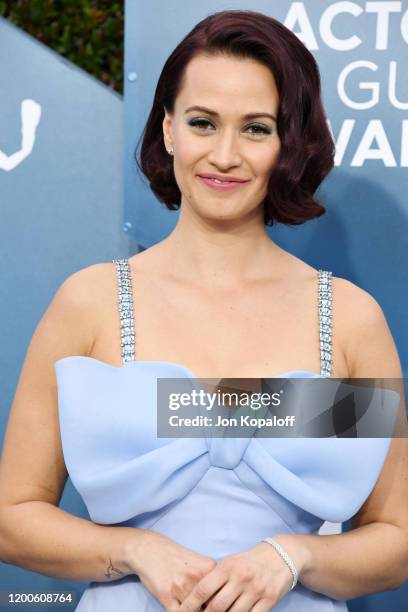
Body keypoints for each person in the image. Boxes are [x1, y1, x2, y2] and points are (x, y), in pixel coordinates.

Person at [0, 8, 407, 612]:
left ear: (288, 142)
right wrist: (138, 551)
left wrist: (294, 557)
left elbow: (395, 538)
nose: (224, 154)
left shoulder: (348, 320)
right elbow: (14, 516)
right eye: (202, 122)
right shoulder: (89, 304)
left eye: (256, 128)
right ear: (168, 130)